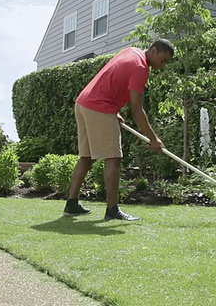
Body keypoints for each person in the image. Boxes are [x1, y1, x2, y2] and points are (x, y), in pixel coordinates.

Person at [63, 39, 174, 221]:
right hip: (99, 107)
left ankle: (71, 204)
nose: (162, 65)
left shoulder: (131, 51)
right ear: (153, 50)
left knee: (86, 156)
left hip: (83, 103)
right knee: (113, 158)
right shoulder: (140, 68)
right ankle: (112, 210)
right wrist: (154, 139)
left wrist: (114, 111)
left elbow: (111, 80)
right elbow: (137, 110)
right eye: (163, 59)